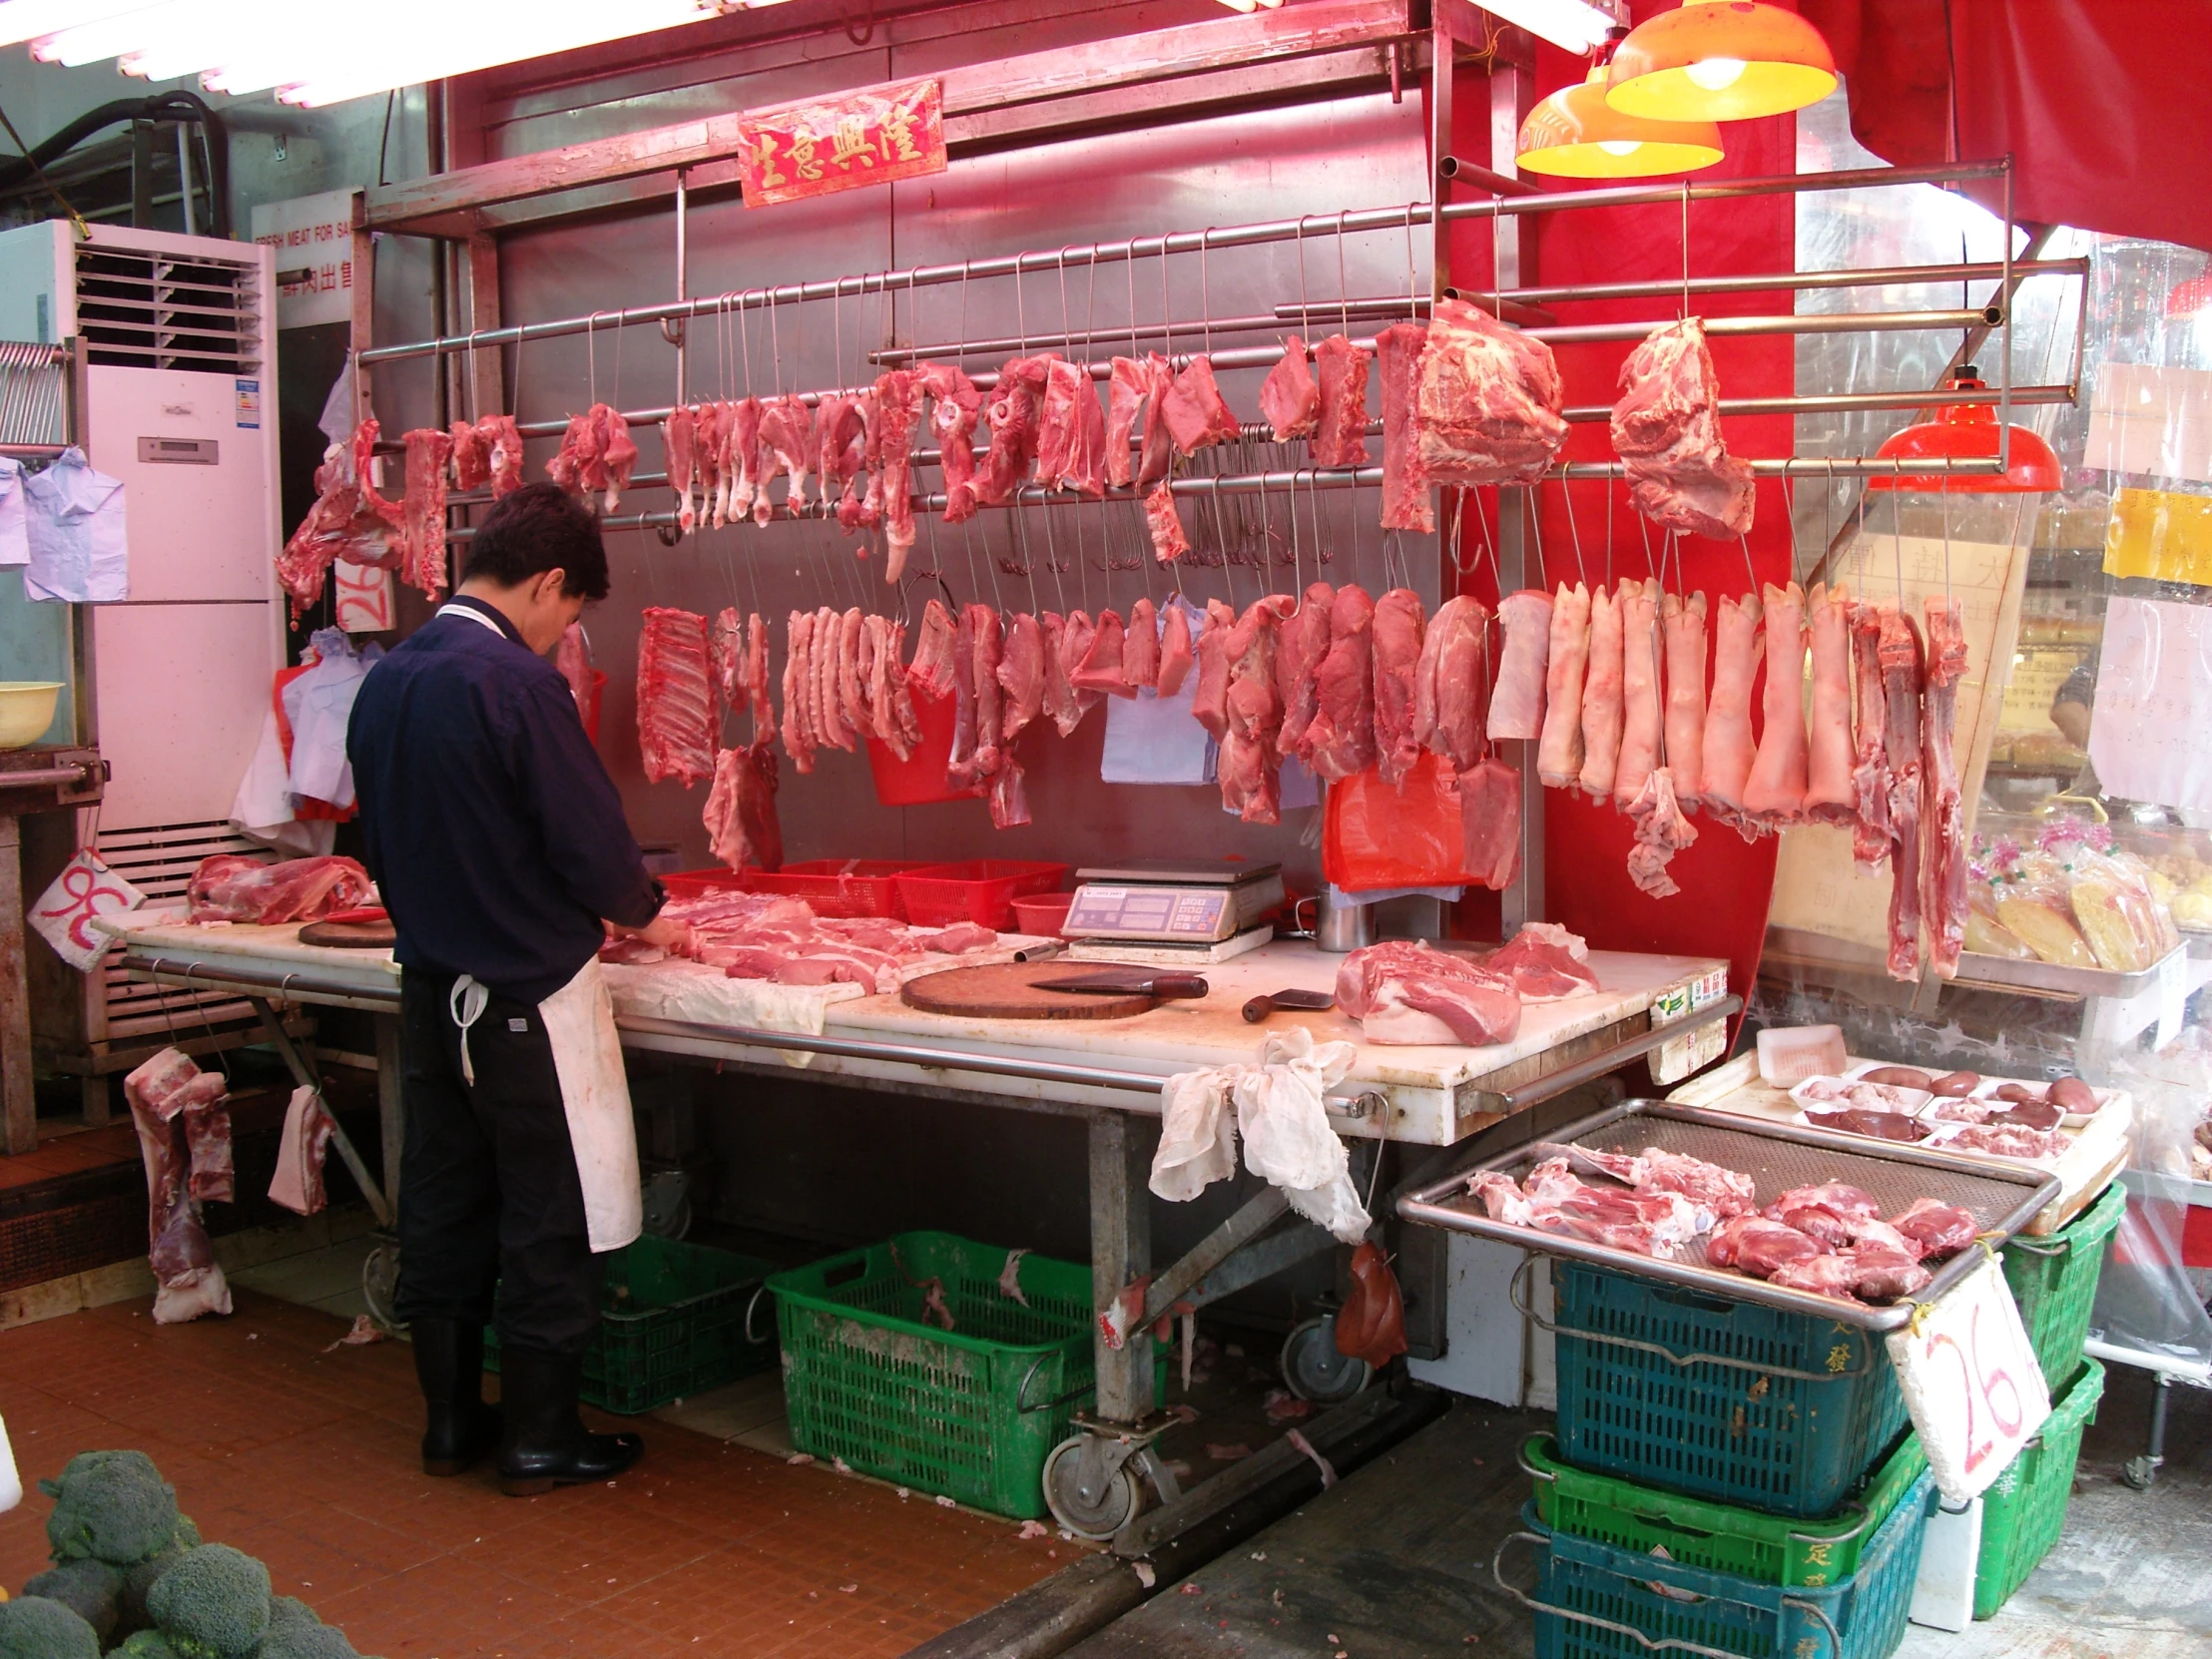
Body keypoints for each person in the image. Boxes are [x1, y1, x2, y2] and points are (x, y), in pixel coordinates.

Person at [347, 483, 689, 1496]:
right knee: (548, 1216)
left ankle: (451, 1424)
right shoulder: (512, 684)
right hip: (523, 1006)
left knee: (444, 1205)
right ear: (547, 584)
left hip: (429, 995)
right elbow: (585, 843)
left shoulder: (390, 678)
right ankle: (541, 1440)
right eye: (569, 616)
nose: (559, 639)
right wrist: (650, 911)